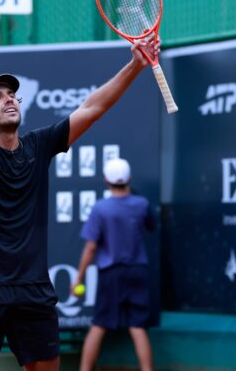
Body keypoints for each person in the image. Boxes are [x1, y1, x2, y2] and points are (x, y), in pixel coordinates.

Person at [0, 24, 159, 371]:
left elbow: (92, 108)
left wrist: (136, 64)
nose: (9, 99)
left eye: (12, 94)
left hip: (33, 290)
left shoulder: (39, 145)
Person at [72, 158, 155, 371]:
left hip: (112, 274)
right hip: (138, 271)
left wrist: (78, 278)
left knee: (99, 325)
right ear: (130, 178)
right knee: (138, 326)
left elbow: (91, 248)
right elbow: (151, 225)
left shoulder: (100, 208)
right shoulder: (142, 204)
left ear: (106, 180)